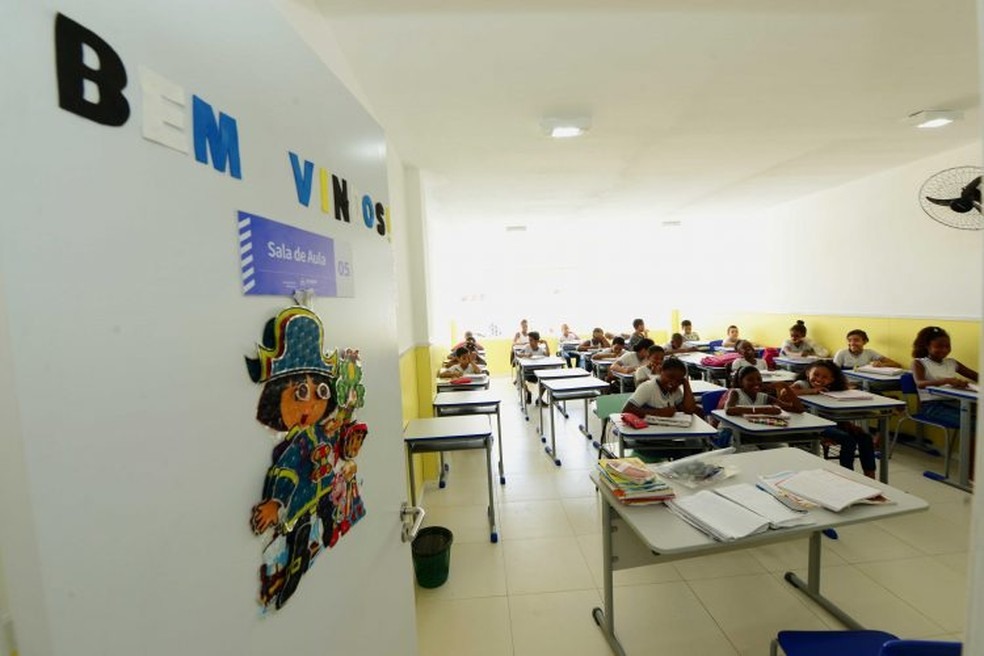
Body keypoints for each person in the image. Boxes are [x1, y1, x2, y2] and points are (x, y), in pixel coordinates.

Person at [791, 360, 876, 477]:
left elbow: (835, 412)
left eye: (825, 377)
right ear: (807, 373)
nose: (819, 379)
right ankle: (848, 476)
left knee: (865, 438)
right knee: (848, 440)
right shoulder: (803, 384)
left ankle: (870, 476)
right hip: (811, 424)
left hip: (832, 424)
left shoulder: (833, 389)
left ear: (831, 380)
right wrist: (811, 391)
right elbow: (788, 391)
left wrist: (847, 424)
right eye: (815, 375)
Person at [911, 326, 978, 426]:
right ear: (927, 346)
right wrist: (946, 381)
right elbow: (920, 383)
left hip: (956, 402)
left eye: (947, 346)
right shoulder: (919, 363)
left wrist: (963, 384)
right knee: (974, 424)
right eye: (939, 346)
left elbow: (976, 376)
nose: (944, 350)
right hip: (932, 407)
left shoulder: (952, 363)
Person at [622, 357, 699, 418]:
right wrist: (659, 412)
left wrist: (686, 384)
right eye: (670, 377)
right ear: (661, 371)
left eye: (678, 380)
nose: (673, 382)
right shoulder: (647, 387)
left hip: (668, 432)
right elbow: (626, 410)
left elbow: (689, 410)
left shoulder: (675, 390)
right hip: (647, 433)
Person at [725, 366, 802, 416]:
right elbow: (729, 410)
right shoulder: (736, 393)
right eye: (750, 380)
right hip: (736, 433)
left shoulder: (764, 397)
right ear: (741, 382)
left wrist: (785, 386)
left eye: (759, 379)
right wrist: (764, 410)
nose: (756, 382)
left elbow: (798, 409)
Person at [832, 329, 900, 369]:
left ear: (864, 342)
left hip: (864, 382)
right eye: (849, 340)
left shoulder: (870, 353)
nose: (852, 343)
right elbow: (833, 372)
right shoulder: (842, 353)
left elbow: (896, 365)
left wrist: (882, 365)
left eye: (856, 340)